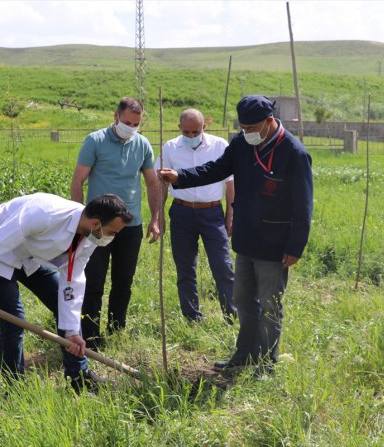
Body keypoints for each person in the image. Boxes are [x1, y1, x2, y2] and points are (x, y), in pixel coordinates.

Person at [158, 95, 313, 374]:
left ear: (269, 121)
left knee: (269, 305)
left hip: (275, 244)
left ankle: (266, 364)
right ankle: (244, 355)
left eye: (251, 128)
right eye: (243, 127)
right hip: (246, 239)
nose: (246, 133)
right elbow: (216, 169)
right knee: (242, 299)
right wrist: (181, 177)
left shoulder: (294, 153)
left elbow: (303, 206)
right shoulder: (242, 143)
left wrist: (296, 246)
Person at [0, 192, 133, 392]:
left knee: (65, 311)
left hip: (30, 257)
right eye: (112, 232)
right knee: (13, 321)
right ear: (96, 224)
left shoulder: (89, 238)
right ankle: (15, 388)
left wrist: (71, 331)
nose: (112, 238)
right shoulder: (44, 212)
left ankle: (79, 378)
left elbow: (73, 279)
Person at [70, 97, 160, 351]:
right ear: (116, 116)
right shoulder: (95, 141)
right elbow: (78, 181)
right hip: (98, 226)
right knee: (93, 281)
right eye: (127, 122)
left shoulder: (142, 144)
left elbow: (152, 182)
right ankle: (90, 335)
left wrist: (155, 219)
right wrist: (79, 220)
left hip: (130, 226)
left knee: (123, 282)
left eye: (136, 124)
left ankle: (117, 329)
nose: (131, 128)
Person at [155, 108, 237, 323]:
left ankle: (231, 315)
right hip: (181, 212)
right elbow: (161, 184)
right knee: (185, 268)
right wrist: (158, 214)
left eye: (195, 132)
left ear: (204, 127)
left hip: (212, 213)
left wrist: (231, 215)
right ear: (179, 128)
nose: (191, 136)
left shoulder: (220, 146)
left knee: (223, 266)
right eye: (187, 132)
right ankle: (192, 318)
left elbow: (230, 184)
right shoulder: (170, 148)